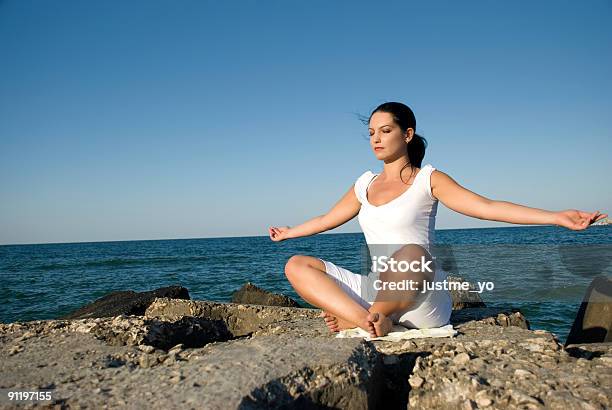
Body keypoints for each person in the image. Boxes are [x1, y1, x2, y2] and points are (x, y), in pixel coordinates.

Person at [269, 101, 607, 338]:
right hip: (378, 292)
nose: (375, 138)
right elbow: (328, 218)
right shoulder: (363, 184)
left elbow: (485, 206)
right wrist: (288, 233)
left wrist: (556, 217)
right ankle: (367, 320)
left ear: (407, 134)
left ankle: (370, 318)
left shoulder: (428, 179)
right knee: (297, 265)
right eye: (371, 132)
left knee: (413, 253)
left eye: (385, 130)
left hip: (422, 298)